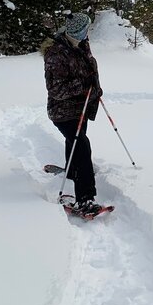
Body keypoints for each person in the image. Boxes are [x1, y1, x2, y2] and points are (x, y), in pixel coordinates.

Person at [42, 13, 103, 216]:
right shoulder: (56, 54)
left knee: (75, 142)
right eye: (85, 29)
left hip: (82, 107)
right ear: (76, 31)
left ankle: (72, 170)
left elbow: (88, 70)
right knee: (82, 146)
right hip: (63, 111)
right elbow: (56, 90)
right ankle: (85, 198)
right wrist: (83, 85)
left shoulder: (81, 44)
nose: (88, 33)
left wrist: (95, 88)